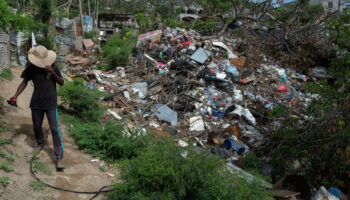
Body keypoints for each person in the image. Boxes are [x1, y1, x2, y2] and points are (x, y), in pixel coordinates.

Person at [10, 45, 65, 170]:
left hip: (50, 102)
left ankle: (59, 158)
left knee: (54, 128)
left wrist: (52, 72)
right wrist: (16, 95)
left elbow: (61, 82)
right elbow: (24, 82)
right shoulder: (32, 68)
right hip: (36, 102)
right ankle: (40, 143)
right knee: (36, 126)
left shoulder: (54, 66)